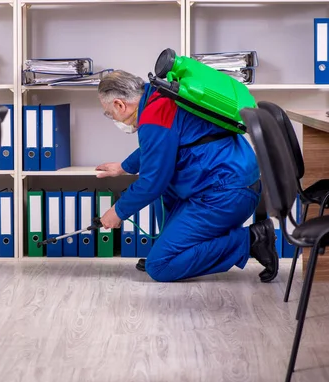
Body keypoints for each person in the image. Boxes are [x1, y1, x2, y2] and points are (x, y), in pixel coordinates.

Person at [95, 70, 278, 283]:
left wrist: (117, 212)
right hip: (231, 184)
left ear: (119, 104)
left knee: (159, 266)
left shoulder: (154, 117)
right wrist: (124, 167)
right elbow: (161, 144)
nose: (113, 118)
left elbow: (151, 183)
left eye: (109, 113)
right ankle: (172, 251)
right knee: (165, 193)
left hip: (226, 194)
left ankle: (251, 240)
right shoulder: (160, 95)